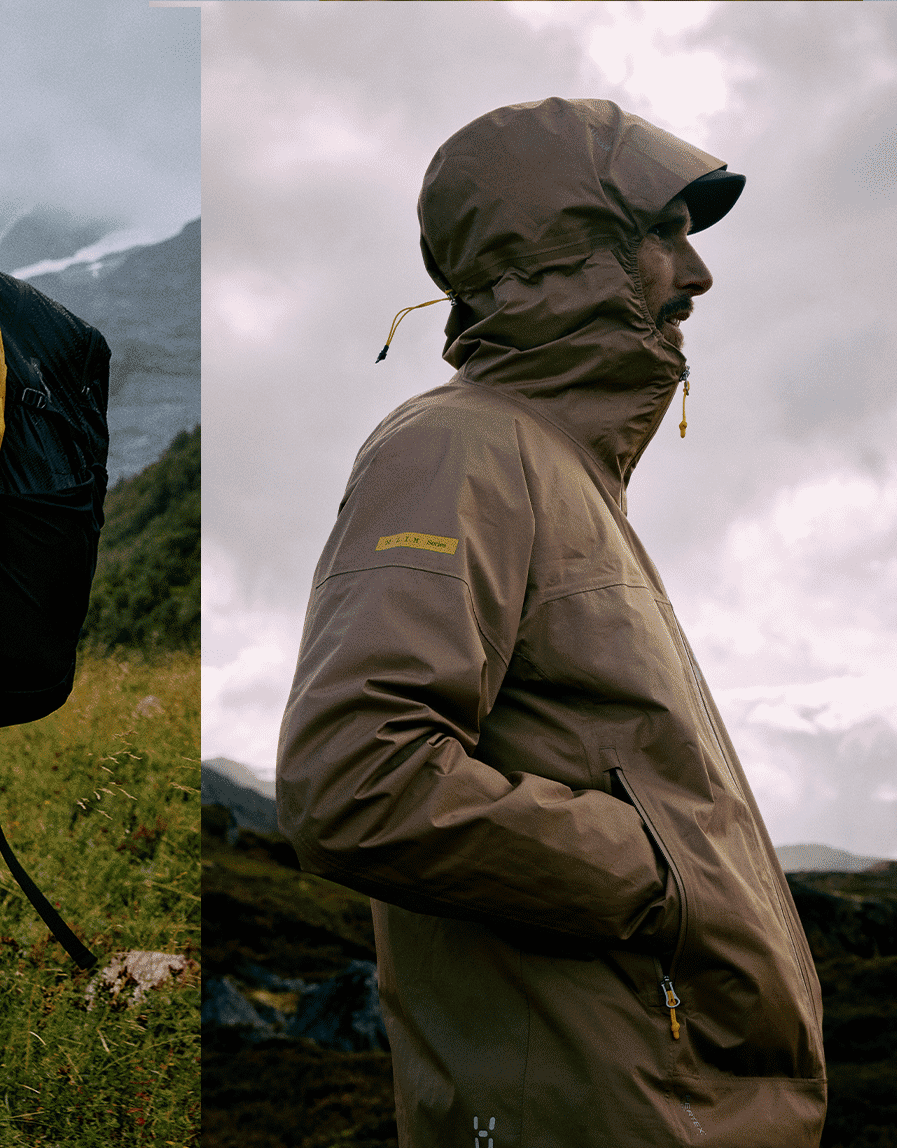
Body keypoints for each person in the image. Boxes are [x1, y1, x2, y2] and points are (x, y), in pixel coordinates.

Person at [274, 97, 826, 1147]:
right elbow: (354, 780)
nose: (699, 274)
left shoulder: (564, 474)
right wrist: (659, 873)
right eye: (662, 235)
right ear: (566, 256)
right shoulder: (455, 449)